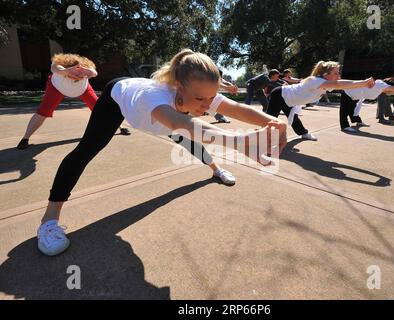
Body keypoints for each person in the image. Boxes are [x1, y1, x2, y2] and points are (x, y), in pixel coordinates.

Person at [36, 49, 287, 256]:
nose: (207, 105)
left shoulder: (200, 94)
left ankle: (215, 169)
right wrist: (240, 142)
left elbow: (236, 108)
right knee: (88, 149)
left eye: (211, 98)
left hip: (166, 112)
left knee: (190, 140)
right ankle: (48, 222)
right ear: (178, 87)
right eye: (201, 99)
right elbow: (183, 124)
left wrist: (273, 122)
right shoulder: (153, 97)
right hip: (118, 98)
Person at [16, 54, 131, 150]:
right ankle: (25, 138)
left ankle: (120, 127)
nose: (79, 75)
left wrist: (84, 69)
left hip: (82, 89)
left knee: (100, 107)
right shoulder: (59, 68)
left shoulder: (84, 72)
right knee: (43, 110)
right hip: (57, 87)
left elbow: (94, 73)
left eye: (81, 73)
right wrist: (67, 70)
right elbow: (55, 69)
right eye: (75, 73)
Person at [266, 60, 375, 141]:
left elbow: (344, 85)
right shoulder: (315, 81)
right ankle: (262, 139)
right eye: (336, 73)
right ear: (325, 75)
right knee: (269, 119)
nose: (339, 76)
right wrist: (364, 82)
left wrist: (363, 84)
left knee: (293, 117)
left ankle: (303, 133)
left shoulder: (325, 84)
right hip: (279, 95)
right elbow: (339, 84)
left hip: (290, 100)